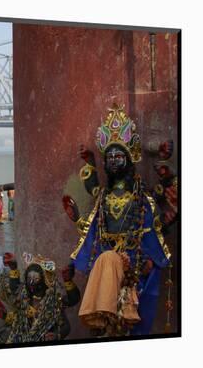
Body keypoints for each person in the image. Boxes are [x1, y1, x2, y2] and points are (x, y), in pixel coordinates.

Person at [62, 105, 177, 336]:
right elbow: (93, 230)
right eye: (110, 157)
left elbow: (152, 229)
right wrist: (76, 263)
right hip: (106, 260)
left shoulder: (142, 197)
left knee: (132, 319)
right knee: (106, 318)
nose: (114, 161)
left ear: (129, 158)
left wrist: (151, 259)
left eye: (119, 156)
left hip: (136, 260)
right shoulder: (103, 196)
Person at [6, 253, 80, 342]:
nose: (32, 282)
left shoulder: (53, 301)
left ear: (44, 280)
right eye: (29, 278)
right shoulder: (24, 297)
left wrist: (56, 335)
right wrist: (13, 268)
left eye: (36, 278)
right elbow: (14, 289)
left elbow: (72, 302)